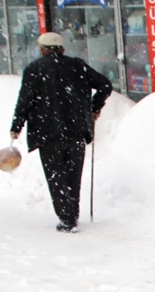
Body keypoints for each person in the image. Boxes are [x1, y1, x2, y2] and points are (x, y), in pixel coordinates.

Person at [10, 32, 112, 232]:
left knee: (56, 176)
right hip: (76, 130)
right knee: (73, 174)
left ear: (42, 49)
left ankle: (67, 218)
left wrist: (16, 126)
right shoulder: (77, 66)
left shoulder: (34, 70)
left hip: (48, 132)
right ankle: (71, 215)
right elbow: (105, 85)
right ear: (62, 49)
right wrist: (94, 107)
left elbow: (24, 101)